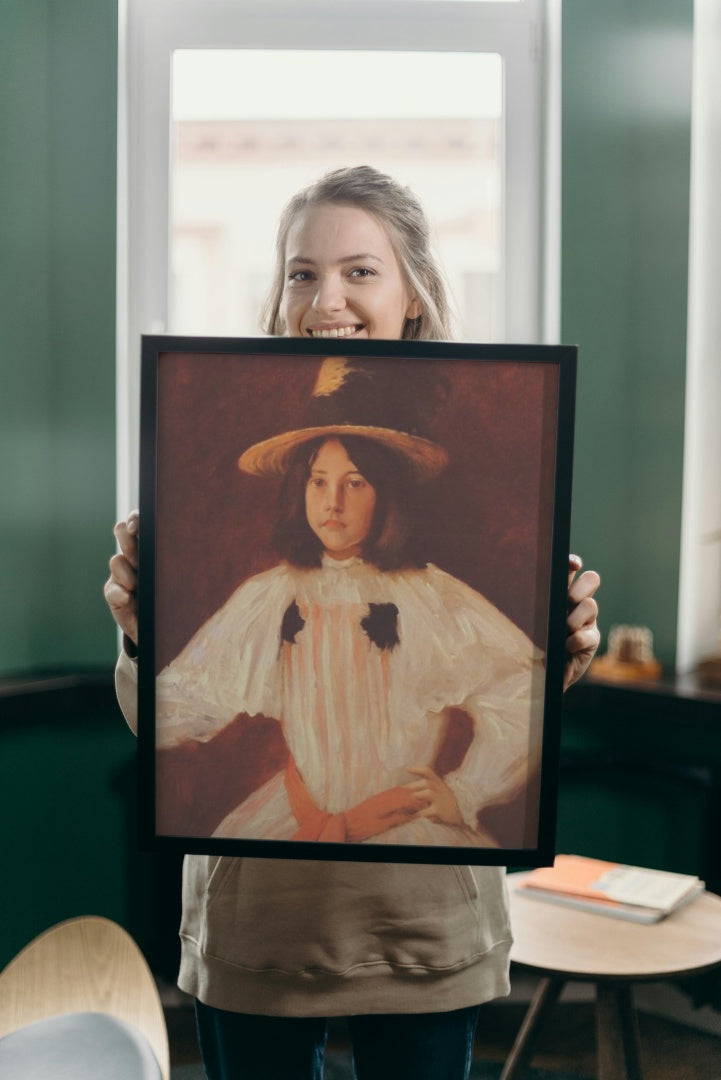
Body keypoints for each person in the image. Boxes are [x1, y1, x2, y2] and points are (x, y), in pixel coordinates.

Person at [105, 166, 601, 1080]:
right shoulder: (264, 595)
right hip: (263, 908)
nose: (325, 297)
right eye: (302, 272)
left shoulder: (438, 596)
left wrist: (555, 659)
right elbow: (173, 713)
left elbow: (513, 689)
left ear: (412, 292)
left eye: (359, 271)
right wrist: (144, 632)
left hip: (418, 912)